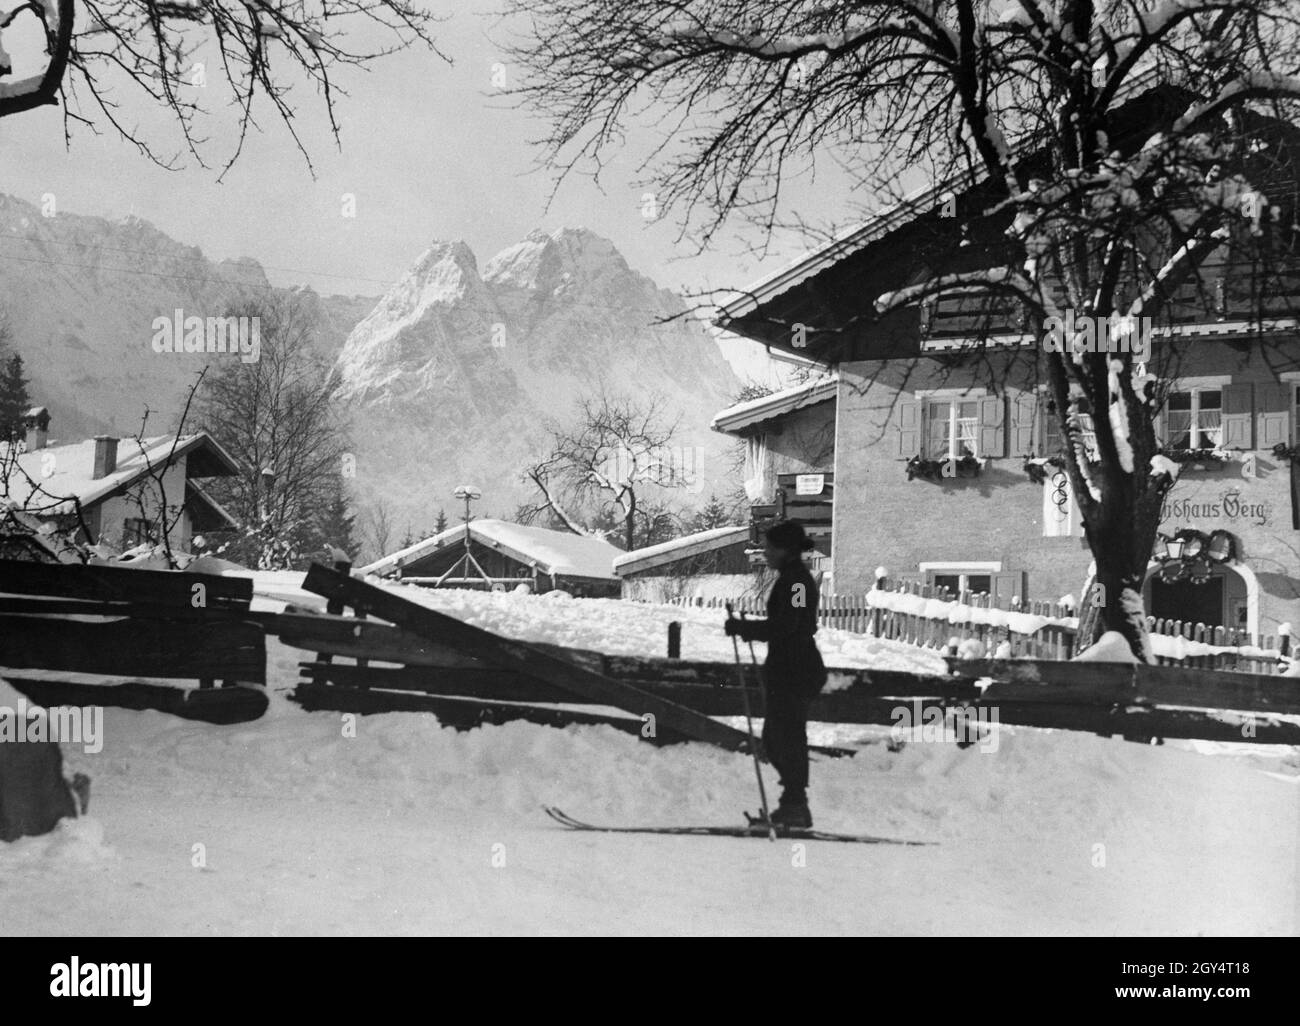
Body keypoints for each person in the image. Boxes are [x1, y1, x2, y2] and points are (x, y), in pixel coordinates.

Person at [725, 520, 827, 828]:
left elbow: (790, 624)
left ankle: (795, 806)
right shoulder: (790, 578)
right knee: (777, 737)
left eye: (770, 547)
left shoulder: (797, 583)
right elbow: (786, 622)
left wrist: (746, 628)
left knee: (786, 738)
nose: (765, 553)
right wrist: (751, 627)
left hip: (797, 669)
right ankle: (793, 804)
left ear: (785, 550)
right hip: (788, 668)